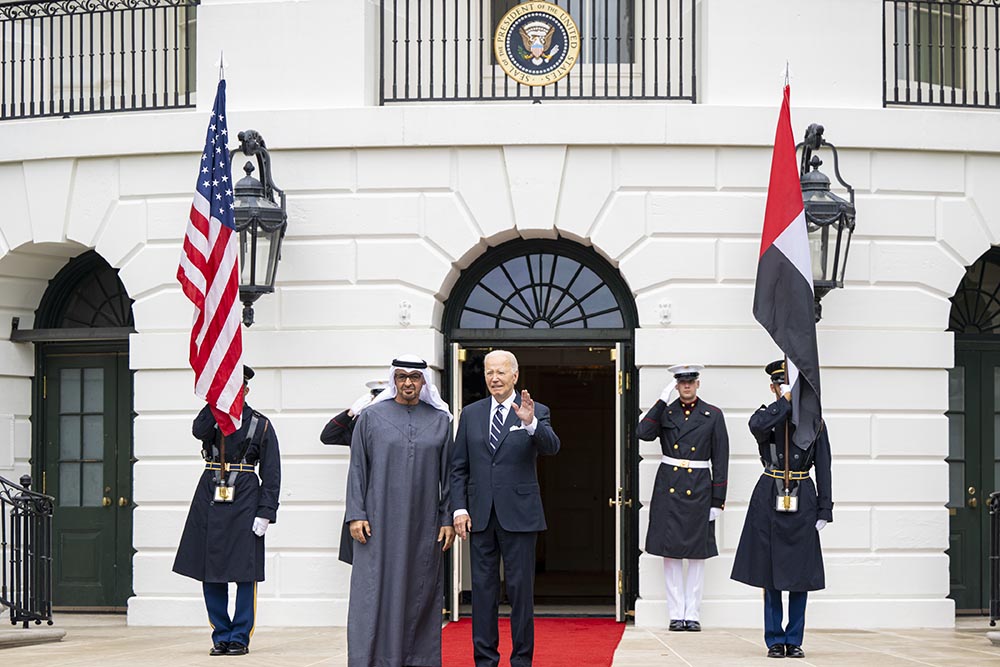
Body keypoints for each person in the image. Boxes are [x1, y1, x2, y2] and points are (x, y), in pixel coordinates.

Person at [451, 349, 561, 667]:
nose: (494, 378)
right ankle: (485, 660)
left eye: (501, 372)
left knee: (520, 593)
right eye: (489, 373)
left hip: (521, 516)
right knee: (484, 594)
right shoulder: (470, 414)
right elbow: (459, 466)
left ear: (515, 375)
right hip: (480, 516)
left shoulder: (535, 410)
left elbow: (552, 447)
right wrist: (459, 508)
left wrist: (531, 424)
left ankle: (521, 661)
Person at [345, 355, 455, 667]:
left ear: (424, 382)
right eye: (402, 376)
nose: (408, 383)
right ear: (394, 379)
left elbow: (448, 475)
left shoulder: (440, 421)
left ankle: (416, 660)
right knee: (373, 592)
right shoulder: (371, 417)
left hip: (424, 525)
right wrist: (356, 514)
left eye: (415, 377)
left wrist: (447, 518)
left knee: (419, 593)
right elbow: (357, 469)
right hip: (377, 523)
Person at [173, 365, 281, 657]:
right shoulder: (213, 418)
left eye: (238, 387)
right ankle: (220, 634)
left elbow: (272, 473)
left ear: (246, 389)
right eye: (229, 386)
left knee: (245, 571)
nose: (234, 391)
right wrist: (215, 401)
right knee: (211, 570)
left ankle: (240, 636)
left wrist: (266, 511)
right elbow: (198, 431)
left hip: (245, 495)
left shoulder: (261, 424)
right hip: (210, 491)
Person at [730, 360, 833, 659]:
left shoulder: (815, 422)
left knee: (800, 574)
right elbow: (758, 427)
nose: (783, 389)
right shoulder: (766, 416)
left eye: (790, 386)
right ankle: (775, 638)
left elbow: (824, 466)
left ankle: (795, 638)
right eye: (779, 385)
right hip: (769, 495)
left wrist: (825, 508)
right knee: (770, 573)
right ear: (773, 387)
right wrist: (786, 402)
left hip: (802, 497)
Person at [637, 363, 729, 632]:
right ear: (676, 385)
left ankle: (693, 613)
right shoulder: (666, 411)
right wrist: (660, 401)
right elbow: (643, 433)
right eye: (681, 382)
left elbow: (720, 458)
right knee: (671, 554)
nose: (686, 386)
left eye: (691, 382)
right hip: (669, 486)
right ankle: (676, 613)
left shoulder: (712, 415)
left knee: (697, 555)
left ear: (698, 384)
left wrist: (717, 500)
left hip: (699, 486)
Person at [320, 379, 389, 565]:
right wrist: (352, 412)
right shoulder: (360, 424)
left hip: (389, 497)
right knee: (363, 559)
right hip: (365, 499)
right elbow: (328, 436)